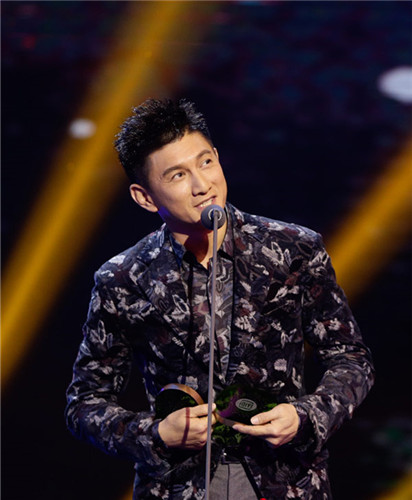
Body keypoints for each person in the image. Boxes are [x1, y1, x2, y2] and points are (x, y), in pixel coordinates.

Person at [65, 98, 374, 499]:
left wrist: (304, 416)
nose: (202, 185)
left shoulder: (293, 249)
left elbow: (351, 358)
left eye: (206, 162)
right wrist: (156, 433)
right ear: (144, 197)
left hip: (285, 481)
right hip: (179, 486)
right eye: (177, 175)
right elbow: (84, 404)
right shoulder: (122, 278)